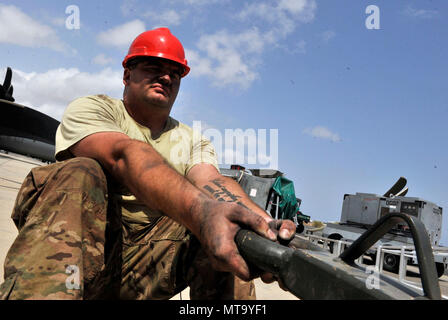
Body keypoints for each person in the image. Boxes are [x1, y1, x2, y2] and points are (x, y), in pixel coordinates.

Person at [0, 27, 295, 300]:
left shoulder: (193, 141)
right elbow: (123, 155)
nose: (166, 77)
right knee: (81, 171)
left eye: (175, 73)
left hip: (146, 266)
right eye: (154, 68)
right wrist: (201, 212)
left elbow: (212, 182)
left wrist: (266, 230)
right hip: (77, 254)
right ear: (127, 75)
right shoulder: (94, 109)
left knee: (229, 232)